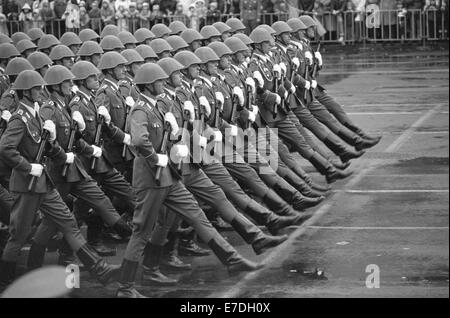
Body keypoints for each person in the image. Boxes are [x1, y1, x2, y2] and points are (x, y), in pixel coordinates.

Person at [116, 62, 264, 298]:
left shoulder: (160, 104)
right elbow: (139, 140)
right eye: (159, 81)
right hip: (151, 179)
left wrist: (178, 140)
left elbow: (167, 133)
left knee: (196, 214)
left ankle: (231, 259)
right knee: (142, 231)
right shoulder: (141, 109)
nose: (163, 83)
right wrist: (157, 159)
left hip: (170, 176)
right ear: (148, 85)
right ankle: (125, 288)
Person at [0, 70, 120, 290]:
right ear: (25, 92)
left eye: (41, 88)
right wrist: (27, 167)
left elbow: (46, 145)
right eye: (36, 88)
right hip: (26, 185)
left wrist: (60, 152)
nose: (41, 91)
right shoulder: (20, 119)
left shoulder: (36, 115)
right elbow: (5, 148)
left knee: (68, 221)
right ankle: (7, 282)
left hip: (43, 183)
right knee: (19, 235)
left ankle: (99, 268)